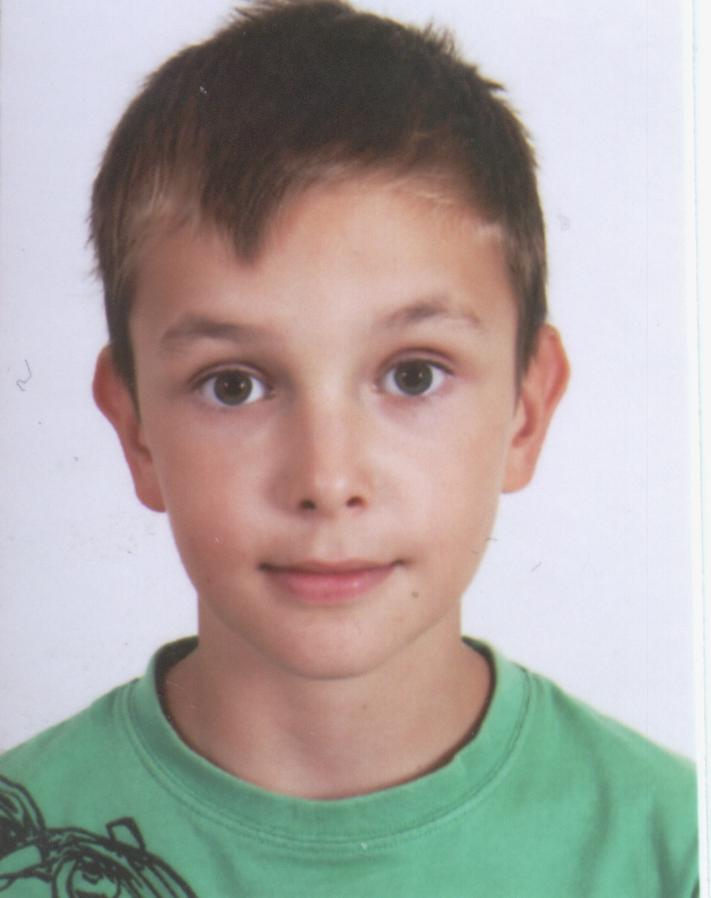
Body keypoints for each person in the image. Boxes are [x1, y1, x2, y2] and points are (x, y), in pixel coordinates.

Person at [0, 2, 698, 895]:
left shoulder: (674, 852)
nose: (327, 480)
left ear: (525, 412)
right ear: (134, 428)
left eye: (412, 375)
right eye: (234, 385)